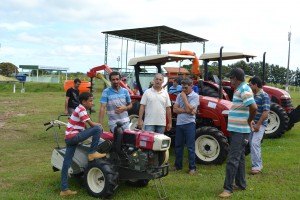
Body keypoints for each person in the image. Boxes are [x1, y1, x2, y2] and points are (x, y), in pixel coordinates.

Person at [219, 68, 257, 198]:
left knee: (232, 159)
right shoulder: (241, 89)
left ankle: (228, 189)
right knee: (240, 158)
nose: (230, 80)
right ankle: (241, 184)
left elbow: (254, 107)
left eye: (231, 78)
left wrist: (250, 120)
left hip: (241, 131)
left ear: (235, 78)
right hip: (237, 130)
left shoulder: (244, 89)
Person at [60, 92, 106, 197]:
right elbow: (92, 125)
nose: (92, 103)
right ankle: (92, 153)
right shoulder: (81, 109)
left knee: (66, 163)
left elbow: (84, 127)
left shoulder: (79, 109)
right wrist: (99, 126)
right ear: (84, 101)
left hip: (69, 138)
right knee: (97, 128)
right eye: (90, 101)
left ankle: (64, 189)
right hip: (73, 137)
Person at [173, 78, 199, 175]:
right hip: (179, 123)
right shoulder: (179, 95)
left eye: (186, 87)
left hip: (189, 124)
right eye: (183, 87)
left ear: (191, 85)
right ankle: (178, 166)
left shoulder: (195, 96)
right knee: (178, 146)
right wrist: (187, 110)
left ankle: (192, 168)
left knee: (190, 147)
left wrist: (184, 98)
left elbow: (190, 108)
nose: (184, 89)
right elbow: (175, 110)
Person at [248, 76, 270, 175]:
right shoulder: (253, 95)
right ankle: (257, 163)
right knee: (251, 143)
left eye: (251, 84)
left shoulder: (264, 96)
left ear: (256, 85)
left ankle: (257, 166)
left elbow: (266, 113)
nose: (249, 86)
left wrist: (258, 125)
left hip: (260, 124)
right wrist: (251, 121)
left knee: (254, 143)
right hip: (253, 123)